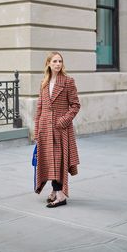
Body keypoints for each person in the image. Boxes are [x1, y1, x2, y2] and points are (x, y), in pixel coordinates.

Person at [34, 51, 80, 208]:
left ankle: (60, 195)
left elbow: (75, 105)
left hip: (61, 128)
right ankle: (55, 192)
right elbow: (39, 108)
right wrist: (37, 130)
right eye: (54, 61)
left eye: (60, 61)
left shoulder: (68, 81)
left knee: (58, 161)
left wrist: (64, 120)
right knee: (48, 161)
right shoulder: (44, 83)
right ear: (48, 63)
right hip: (45, 128)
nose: (58, 64)